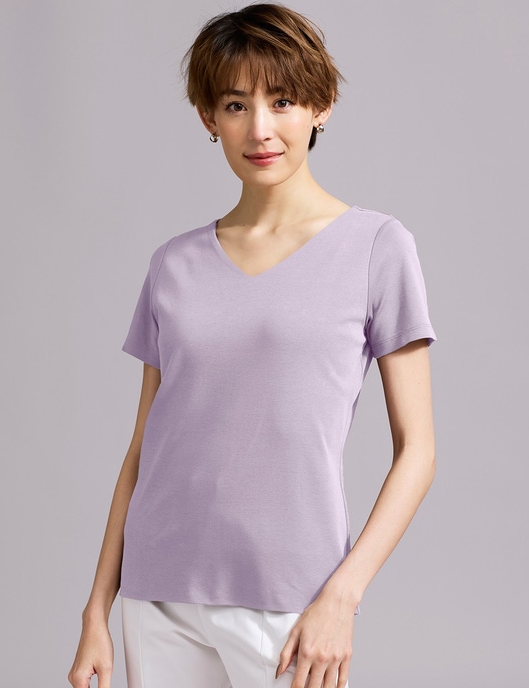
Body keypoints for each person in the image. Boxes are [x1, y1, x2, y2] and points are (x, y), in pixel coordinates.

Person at [68, 4, 437, 688]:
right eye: (236, 105)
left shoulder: (377, 248)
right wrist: (97, 608)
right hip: (157, 593)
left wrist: (342, 594)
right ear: (209, 117)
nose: (260, 129)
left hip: (293, 598)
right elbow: (144, 447)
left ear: (322, 106)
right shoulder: (172, 263)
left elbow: (418, 449)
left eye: (283, 101)